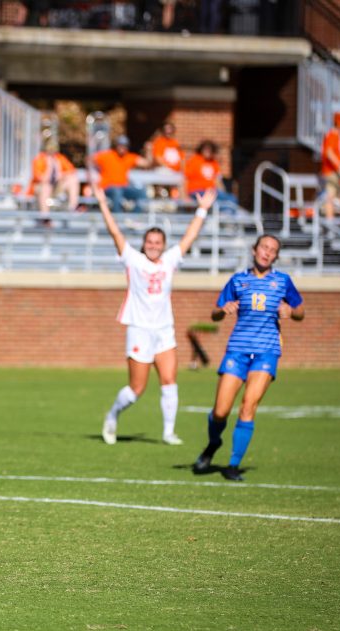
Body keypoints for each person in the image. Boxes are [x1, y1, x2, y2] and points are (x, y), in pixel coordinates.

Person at [96, 180, 218, 446]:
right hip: (139, 329)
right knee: (136, 389)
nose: (153, 245)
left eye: (158, 242)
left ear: (163, 245)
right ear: (144, 244)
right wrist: (103, 203)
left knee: (169, 380)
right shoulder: (134, 259)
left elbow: (189, 238)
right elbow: (116, 233)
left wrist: (202, 211)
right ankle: (112, 415)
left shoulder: (170, 259)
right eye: (149, 242)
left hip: (164, 330)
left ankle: (168, 432)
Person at [192, 235, 305, 481]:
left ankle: (233, 465)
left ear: (276, 256)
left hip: (267, 351)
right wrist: (223, 310)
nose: (267, 252)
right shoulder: (238, 280)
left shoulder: (283, 281)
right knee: (220, 411)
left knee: (248, 406)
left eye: (273, 250)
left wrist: (291, 311)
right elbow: (215, 313)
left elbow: (300, 311)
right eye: (264, 247)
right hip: (237, 350)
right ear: (254, 250)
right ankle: (213, 445)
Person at [92, 135, 150, 212]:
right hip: (108, 187)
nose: (122, 148)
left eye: (124, 146)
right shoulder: (107, 155)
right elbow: (90, 159)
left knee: (141, 192)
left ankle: (135, 216)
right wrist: (93, 172)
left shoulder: (129, 157)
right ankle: (118, 217)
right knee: (117, 191)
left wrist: (149, 150)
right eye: (120, 145)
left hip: (124, 187)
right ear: (116, 145)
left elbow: (147, 163)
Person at [183, 141, 239, 213]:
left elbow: (217, 181)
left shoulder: (213, 163)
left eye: (210, 150)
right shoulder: (194, 161)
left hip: (212, 191)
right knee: (216, 202)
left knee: (231, 198)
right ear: (201, 150)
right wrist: (185, 196)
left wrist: (223, 193)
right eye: (206, 149)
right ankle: (224, 215)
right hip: (197, 191)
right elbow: (185, 179)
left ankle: (228, 218)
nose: (208, 152)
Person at [30, 142, 80, 219]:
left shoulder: (59, 158)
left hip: (56, 187)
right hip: (42, 188)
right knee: (46, 187)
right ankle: (45, 216)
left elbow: (72, 171)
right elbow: (41, 179)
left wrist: (61, 174)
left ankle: (72, 207)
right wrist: (49, 167)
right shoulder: (39, 159)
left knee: (72, 179)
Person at [319, 113, 340, 220]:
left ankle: (337, 219)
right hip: (331, 172)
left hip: (335, 172)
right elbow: (329, 152)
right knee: (331, 196)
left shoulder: (336, 136)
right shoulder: (333, 135)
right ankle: (330, 221)